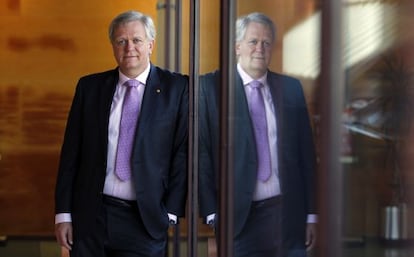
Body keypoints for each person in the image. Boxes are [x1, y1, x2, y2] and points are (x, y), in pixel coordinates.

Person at [54, 10, 188, 257]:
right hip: (90, 218)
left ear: (150, 44)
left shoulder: (177, 89)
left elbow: (183, 152)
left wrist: (170, 212)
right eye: (121, 41)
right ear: (113, 46)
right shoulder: (90, 87)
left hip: (144, 221)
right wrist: (63, 214)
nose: (129, 48)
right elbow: (71, 153)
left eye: (136, 40)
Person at [198, 12, 317, 257]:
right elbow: (202, 154)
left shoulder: (291, 89)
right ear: (237, 46)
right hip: (239, 219)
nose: (260, 48)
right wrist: (212, 212)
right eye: (253, 41)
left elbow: (306, 153)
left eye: (266, 43)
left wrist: (311, 214)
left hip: (287, 214)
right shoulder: (210, 88)